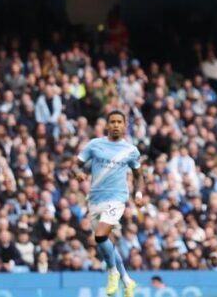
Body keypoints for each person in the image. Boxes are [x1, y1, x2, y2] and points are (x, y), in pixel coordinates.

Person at [76, 111, 141, 297]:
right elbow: (75, 165)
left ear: (125, 125)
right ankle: (127, 280)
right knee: (106, 244)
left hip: (117, 198)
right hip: (95, 199)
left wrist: (138, 193)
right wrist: (77, 173)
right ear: (107, 125)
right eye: (112, 122)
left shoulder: (131, 150)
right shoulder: (94, 145)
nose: (115, 125)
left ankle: (112, 271)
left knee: (101, 235)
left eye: (119, 122)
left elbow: (138, 175)